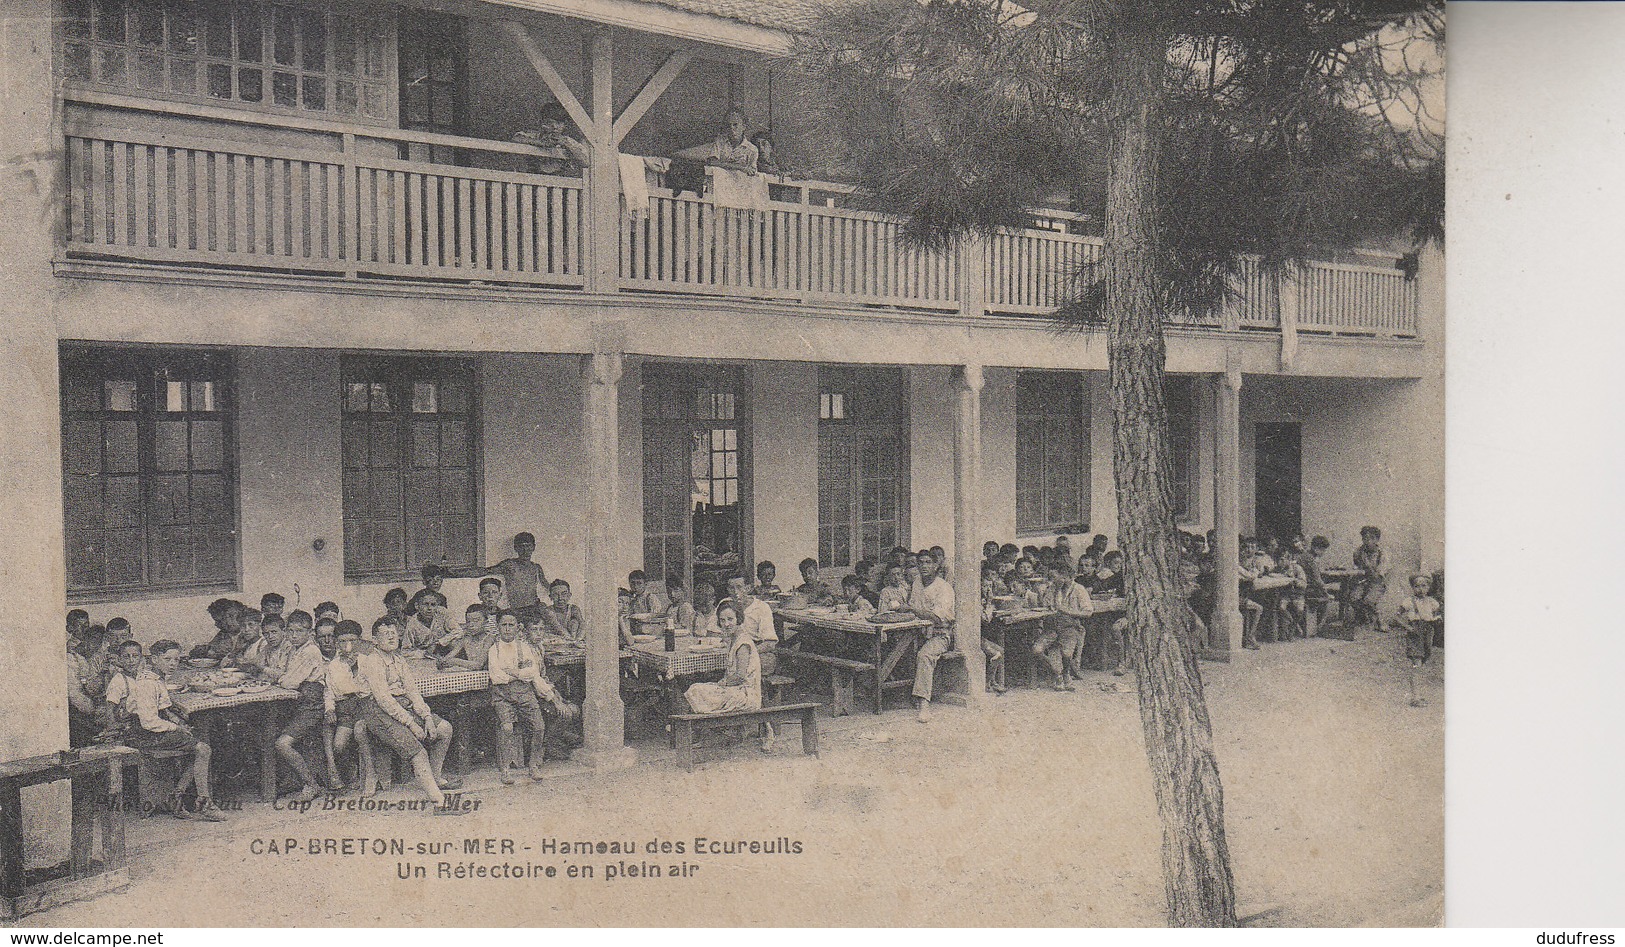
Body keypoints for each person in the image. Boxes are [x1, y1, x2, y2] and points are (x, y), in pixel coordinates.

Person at [105, 641, 225, 821]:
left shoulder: (155, 678)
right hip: (143, 734)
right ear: (154, 659)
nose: (173, 663)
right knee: (203, 748)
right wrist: (176, 727)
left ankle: (176, 795)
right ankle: (204, 803)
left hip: (151, 729)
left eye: (176, 659)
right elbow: (149, 722)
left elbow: (164, 708)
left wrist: (179, 723)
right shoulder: (147, 683)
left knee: (200, 743)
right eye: (167, 659)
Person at [354, 618, 460, 807]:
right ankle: (439, 802)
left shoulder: (399, 659)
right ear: (375, 640)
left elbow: (412, 691)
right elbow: (383, 700)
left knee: (444, 729)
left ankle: (434, 777)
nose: (391, 636)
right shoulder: (372, 661)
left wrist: (426, 717)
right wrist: (411, 723)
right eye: (385, 633)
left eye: (393, 632)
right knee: (417, 752)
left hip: (400, 705)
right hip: (376, 711)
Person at [487, 610, 578, 783]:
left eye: (511, 625)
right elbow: (496, 677)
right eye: (503, 625)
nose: (507, 629)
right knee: (507, 728)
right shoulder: (494, 650)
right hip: (502, 696)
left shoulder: (525, 648)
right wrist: (520, 673)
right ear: (498, 627)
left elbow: (532, 673)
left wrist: (514, 673)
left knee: (539, 727)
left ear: (517, 627)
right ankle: (506, 769)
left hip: (524, 693)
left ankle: (533, 764)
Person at [272, 610, 328, 803]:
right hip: (299, 703)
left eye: (299, 631)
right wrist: (282, 677)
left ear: (309, 633)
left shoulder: (311, 651)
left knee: (282, 744)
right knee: (272, 731)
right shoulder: (295, 649)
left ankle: (312, 784)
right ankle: (293, 779)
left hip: (312, 705)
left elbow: (290, 682)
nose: (294, 635)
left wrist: (281, 678)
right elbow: (286, 675)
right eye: (291, 631)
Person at [683, 602, 762, 716]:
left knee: (697, 691)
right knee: (696, 689)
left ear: (738, 619)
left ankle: (694, 727)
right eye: (722, 620)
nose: (726, 624)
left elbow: (740, 676)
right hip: (735, 689)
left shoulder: (743, 643)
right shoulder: (733, 639)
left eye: (730, 619)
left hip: (746, 695)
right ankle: (696, 727)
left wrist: (723, 683)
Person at [324, 621, 374, 795]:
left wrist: (354, 668)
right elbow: (329, 691)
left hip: (365, 706)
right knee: (338, 744)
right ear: (336, 643)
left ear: (359, 641)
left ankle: (368, 775)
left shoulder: (367, 661)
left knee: (362, 734)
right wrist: (329, 709)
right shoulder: (333, 665)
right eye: (342, 642)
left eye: (352, 640)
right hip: (345, 709)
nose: (348, 646)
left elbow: (369, 689)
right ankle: (351, 768)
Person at [905, 550, 955, 722]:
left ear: (935, 565)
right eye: (921, 563)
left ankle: (924, 704)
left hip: (940, 634)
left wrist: (913, 610)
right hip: (918, 632)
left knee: (924, 655)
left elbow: (936, 617)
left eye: (928, 562)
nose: (924, 566)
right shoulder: (917, 583)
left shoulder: (944, 587)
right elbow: (914, 607)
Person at [456, 533, 549, 624]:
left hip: (534, 608)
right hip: (516, 611)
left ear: (533, 547)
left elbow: (547, 586)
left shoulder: (536, 567)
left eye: (528, 546)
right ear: (515, 548)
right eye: (521, 546)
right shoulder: (510, 565)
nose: (525, 550)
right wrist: (455, 572)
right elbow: (485, 571)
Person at [1034, 566, 1092, 690]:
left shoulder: (1079, 589)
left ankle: (1065, 674)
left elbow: (1088, 612)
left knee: (1066, 653)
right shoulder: (1053, 588)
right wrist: (1045, 593)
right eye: (1057, 578)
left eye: (1063, 578)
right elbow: (1045, 605)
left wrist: (1067, 611)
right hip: (1051, 628)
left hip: (1070, 627)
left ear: (1071, 577)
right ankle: (1058, 673)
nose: (1059, 581)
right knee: (1037, 650)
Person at [1390, 574, 1442, 707]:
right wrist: (1408, 627)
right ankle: (1415, 697)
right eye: (1416, 586)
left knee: (1423, 661)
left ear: (1429, 587)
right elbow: (1395, 617)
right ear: (1412, 588)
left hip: (1428, 632)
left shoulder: (1432, 602)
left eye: (1424, 586)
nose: (1420, 589)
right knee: (1416, 664)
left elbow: (1436, 616)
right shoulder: (1408, 602)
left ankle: (1417, 693)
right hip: (1415, 633)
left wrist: (1437, 622)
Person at [512, 100, 589, 175]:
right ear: (542, 123)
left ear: (564, 125)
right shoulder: (535, 136)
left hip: (559, 178)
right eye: (550, 122)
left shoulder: (566, 140)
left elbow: (585, 162)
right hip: (535, 176)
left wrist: (566, 145)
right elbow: (516, 138)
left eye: (559, 123)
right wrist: (542, 143)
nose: (555, 127)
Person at [673, 108, 759, 174]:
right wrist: (740, 167)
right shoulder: (721, 142)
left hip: (739, 187)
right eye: (728, 125)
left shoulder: (752, 149)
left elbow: (752, 172)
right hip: (719, 184)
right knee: (679, 155)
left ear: (744, 126)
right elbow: (712, 162)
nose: (732, 128)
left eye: (735, 125)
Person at [726, 574, 778, 675]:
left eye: (739, 587)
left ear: (748, 588)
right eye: (731, 588)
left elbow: (770, 643)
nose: (735, 592)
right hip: (729, 651)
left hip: (754, 651)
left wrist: (744, 653)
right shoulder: (725, 604)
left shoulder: (762, 608)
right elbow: (713, 631)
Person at [1352, 525, 1388, 629]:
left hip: (1377, 582)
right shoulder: (1358, 552)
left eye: (1371, 538)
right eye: (1365, 538)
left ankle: (1380, 620)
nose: (1367, 541)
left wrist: (1368, 565)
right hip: (1363, 581)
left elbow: (1379, 575)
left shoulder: (1382, 554)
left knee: (1369, 601)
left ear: (1377, 540)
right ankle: (1363, 618)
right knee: (1353, 598)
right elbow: (1356, 567)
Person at [978, 570, 1007, 694]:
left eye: (990, 586)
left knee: (1001, 650)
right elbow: (985, 619)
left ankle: (992, 681)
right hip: (973, 637)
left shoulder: (983, 601)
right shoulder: (976, 601)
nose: (987, 589)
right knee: (996, 654)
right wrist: (989, 603)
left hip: (981, 636)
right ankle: (986, 683)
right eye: (984, 586)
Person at [1237, 537, 1269, 649]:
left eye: (1252, 547)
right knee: (1258, 608)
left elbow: (1257, 572)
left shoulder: (1255, 560)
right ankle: (1250, 636)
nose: (1248, 550)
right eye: (1247, 547)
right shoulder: (1238, 561)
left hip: (1245, 592)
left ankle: (1249, 635)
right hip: (1237, 596)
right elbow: (1251, 576)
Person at [1301, 536, 1333, 637]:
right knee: (1328, 599)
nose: (1323, 553)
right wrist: (1326, 593)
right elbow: (1318, 580)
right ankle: (1319, 627)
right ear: (1316, 548)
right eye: (1323, 550)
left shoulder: (1304, 556)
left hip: (1301, 588)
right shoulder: (1311, 560)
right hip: (1308, 589)